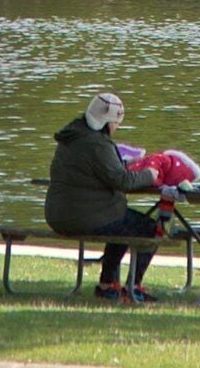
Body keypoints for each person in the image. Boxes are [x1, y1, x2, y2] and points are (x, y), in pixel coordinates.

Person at [46, 90, 169, 303]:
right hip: (85, 217)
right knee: (150, 229)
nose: (116, 128)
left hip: (58, 214)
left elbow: (102, 172)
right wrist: (150, 174)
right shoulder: (98, 144)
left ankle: (108, 284)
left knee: (124, 222)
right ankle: (132, 288)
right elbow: (122, 181)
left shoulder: (70, 136)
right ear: (107, 122)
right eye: (115, 123)